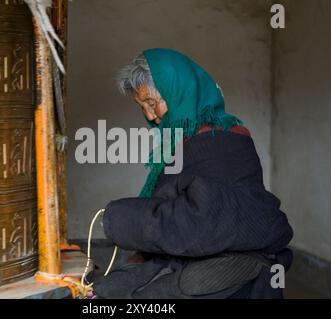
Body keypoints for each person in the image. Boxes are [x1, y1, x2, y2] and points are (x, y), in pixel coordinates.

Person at [93, 48, 294, 299]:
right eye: (142, 106)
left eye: (152, 103)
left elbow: (205, 222)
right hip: (197, 259)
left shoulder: (221, 142)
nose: (149, 116)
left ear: (180, 94)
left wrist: (121, 219)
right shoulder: (180, 142)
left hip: (231, 275)